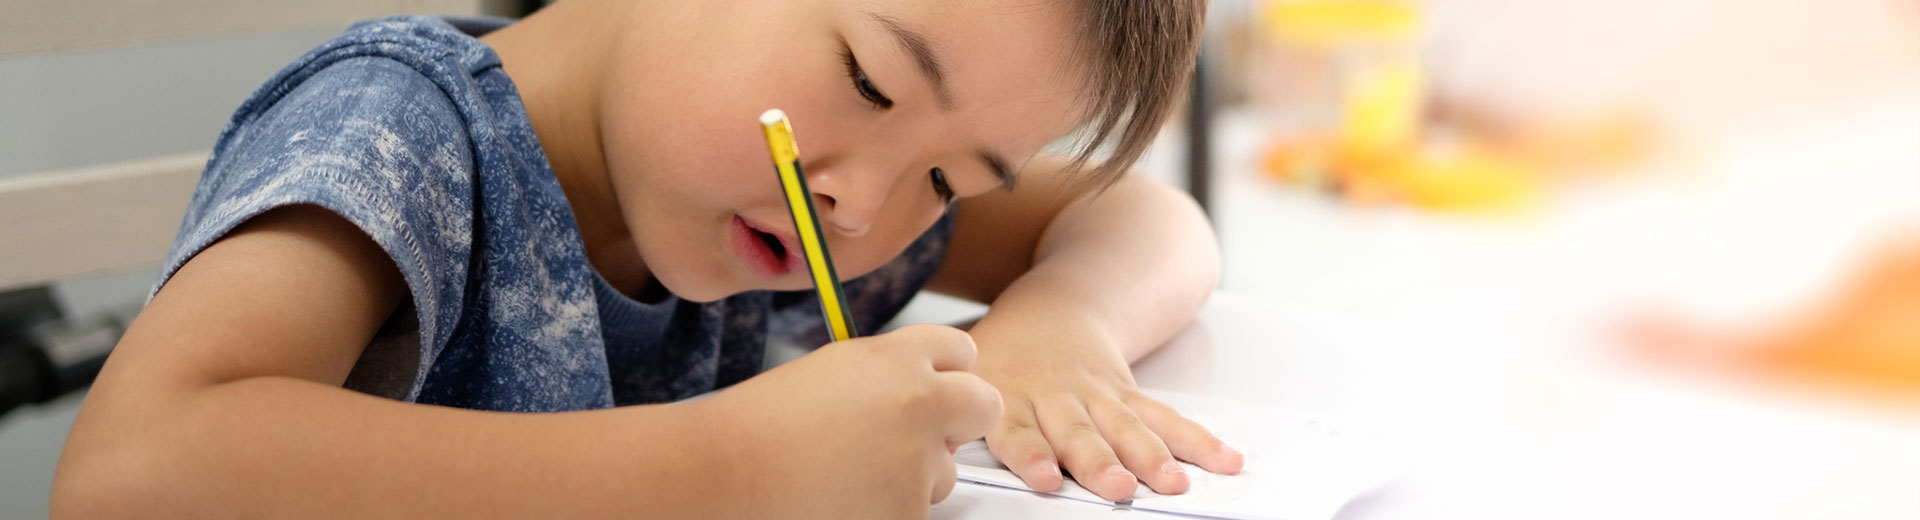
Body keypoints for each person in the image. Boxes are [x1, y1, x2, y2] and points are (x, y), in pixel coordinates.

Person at [52, 0, 1241, 517]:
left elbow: (1151, 219)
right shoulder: (405, 136)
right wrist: (729, 468)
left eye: (948, 181)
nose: (865, 205)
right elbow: (136, 472)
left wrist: (1059, 322)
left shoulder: (802, 198)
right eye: (871, 82)